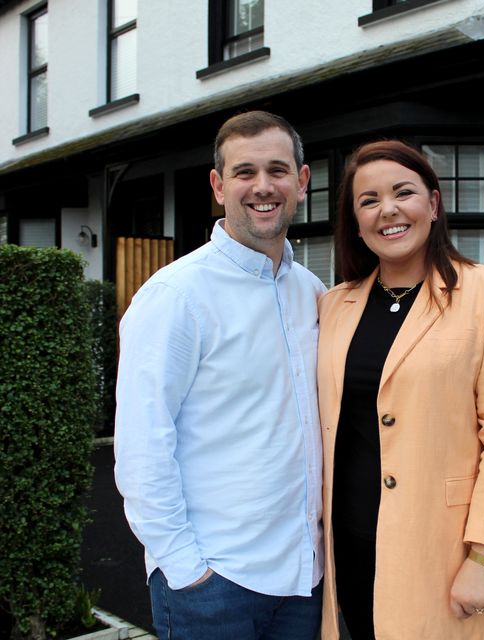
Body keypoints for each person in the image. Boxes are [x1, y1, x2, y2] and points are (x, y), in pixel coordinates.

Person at [114, 110, 325, 640]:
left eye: (278, 170)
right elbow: (142, 446)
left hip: (304, 578)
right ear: (218, 186)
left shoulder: (312, 292)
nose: (262, 187)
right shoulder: (175, 297)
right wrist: (186, 569)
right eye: (244, 172)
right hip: (215, 583)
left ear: (301, 181)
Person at [317, 140, 484, 639]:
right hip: (348, 547)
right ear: (355, 221)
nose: (388, 210)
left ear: (434, 204)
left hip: (444, 551)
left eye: (403, 193)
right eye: (369, 200)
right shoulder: (333, 305)